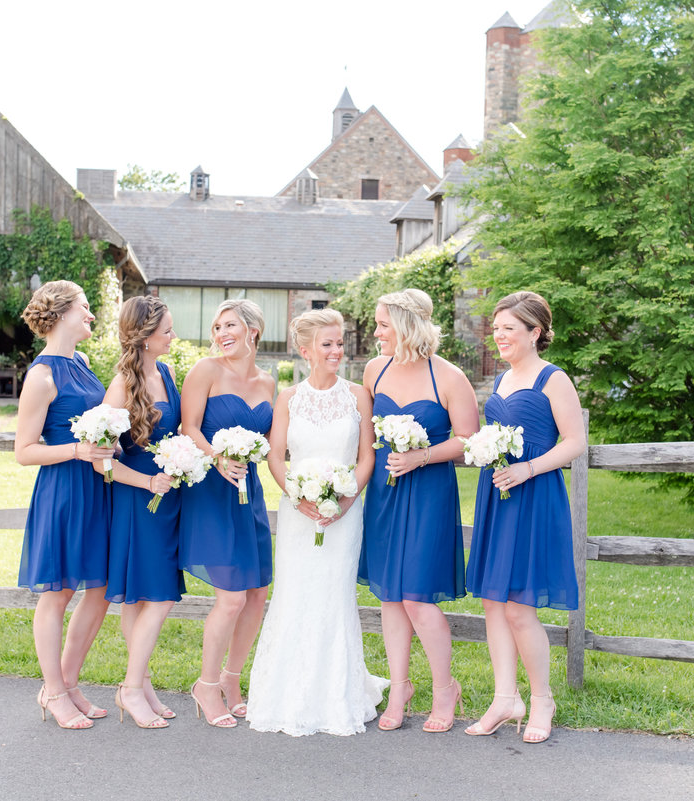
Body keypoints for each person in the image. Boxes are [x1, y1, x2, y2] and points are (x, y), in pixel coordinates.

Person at [247, 309, 388, 735]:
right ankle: (285, 693)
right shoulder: (288, 397)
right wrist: (296, 495)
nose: (337, 351)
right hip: (298, 513)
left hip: (346, 513)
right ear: (306, 350)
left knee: (333, 594)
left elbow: (367, 457)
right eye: (327, 344)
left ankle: (336, 694)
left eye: (340, 342)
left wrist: (346, 500)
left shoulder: (359, 395)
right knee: (295, 593)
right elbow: (275, 456)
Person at [464, 291, 584, 743]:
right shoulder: (501, 381)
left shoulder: (554, 379)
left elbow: (575, 441)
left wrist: (528, 468)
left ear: (535, 332)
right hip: (499, 495)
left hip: (534, 496)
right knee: (493, 601)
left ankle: (542, 700)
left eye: (508, 329)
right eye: (495, 329)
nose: (499, 336)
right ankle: (503, 698)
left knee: (519, 607)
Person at [359, 288, 479, 733]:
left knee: (417, 597)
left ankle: (446, 688)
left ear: (408, 326)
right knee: (391, 594)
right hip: (385, 493)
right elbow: (364, 435)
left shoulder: (449, 378)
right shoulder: (375, 370)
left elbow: (468, 440)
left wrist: (420, 456)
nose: (376, 333)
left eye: (383, 325)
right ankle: (399, 687)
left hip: (429, 493)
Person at [15, 280, 113, 730]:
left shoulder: (84, 362)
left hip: (97, 488)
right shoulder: (41, 377)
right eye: (86, 308)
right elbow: (25, 450)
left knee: (99, 589)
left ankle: (70, 684)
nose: (91, 315)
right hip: (63, 490)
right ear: (61, 314)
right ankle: (52, 691)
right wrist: (77, 450)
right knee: (58, 593)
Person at [178, 299, 275, 728]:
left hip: (248, 491)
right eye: (217, 327)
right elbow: (188, 427)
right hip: (211, 490)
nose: (221, 334)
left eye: (230, 325)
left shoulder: (269, 382)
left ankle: (233, 681)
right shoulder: (206, 370)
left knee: (257, 594)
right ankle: (206, 684)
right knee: (232, 597)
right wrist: (217, 456)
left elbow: (276, 439)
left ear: (253, 329)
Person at [98, 295, 184, 729]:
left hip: (167, 498)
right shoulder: (121, 386)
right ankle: (131, 689)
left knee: (140, 598)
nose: (173, 336)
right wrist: (148, 481)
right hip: (138, 500)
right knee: (162, 594)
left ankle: (141, 684)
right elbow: (101, 459)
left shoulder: (166, 371)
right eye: (167, 330)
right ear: (146, 337)